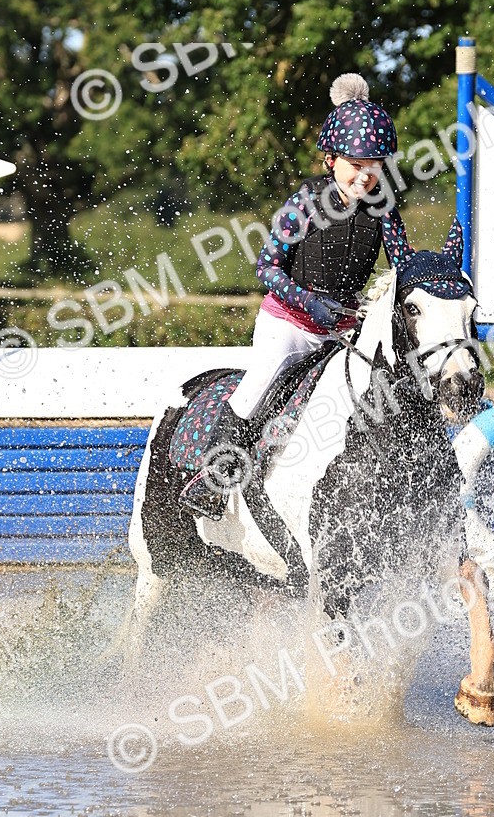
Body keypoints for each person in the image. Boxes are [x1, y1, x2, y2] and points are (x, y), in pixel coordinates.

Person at [179, 72, 432, 520]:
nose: (365, 175)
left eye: (375, 165)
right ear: (331, 159)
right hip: (289, 324)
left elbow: (403, 266)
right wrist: (308, 302)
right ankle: (214, 478)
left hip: (344, 331)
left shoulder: (384, 210)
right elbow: (265, 268)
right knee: (261, 383)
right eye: (355, 164)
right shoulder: (305, 204)